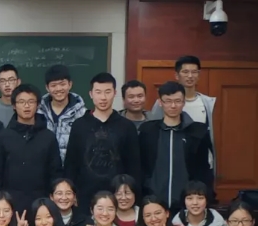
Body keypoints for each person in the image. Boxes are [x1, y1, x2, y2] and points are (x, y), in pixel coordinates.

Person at [64, 73, 141, 212]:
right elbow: (71, 164)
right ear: (91, 94)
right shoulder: (79, 125)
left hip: (119, 198)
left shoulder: (126, 126)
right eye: (98, 92)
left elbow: (134, 166)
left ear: (115, 93)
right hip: (85, 197)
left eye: (108, 92)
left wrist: (133, 196)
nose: (103, 97)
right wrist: (71, 193)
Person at [140, 81, 214, 212]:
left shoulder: (197, 132)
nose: (173, 106)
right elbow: (140, 166)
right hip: (154, 204)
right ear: (160, 102)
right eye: (168, 101)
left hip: (187, 205)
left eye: (177, 101)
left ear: (184, 102)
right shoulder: (148, 131)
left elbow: (204, 170)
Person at [0, 84, 62, 212]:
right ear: (14, 105)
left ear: (38, 105)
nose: (26, 106)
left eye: (31, 102)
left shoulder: (48, 137)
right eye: (21, 102)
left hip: (41, 204)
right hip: (10, 204)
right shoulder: (2, 137)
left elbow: (55, 174)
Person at [151, 55, 216, 172]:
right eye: (185, 72)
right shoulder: (163, 103)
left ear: (199, 75)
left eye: (194, 72)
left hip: (200, 163)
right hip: (171, 161)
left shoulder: (207, 103)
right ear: (177, 75)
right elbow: (154, 130)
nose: (190, 76)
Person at [38, 64, 87, 162]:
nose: (58, 89)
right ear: (47, 88)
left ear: (70, 84)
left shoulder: (82, 114)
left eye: (62, 84)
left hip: (72, 169)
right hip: (44, 168)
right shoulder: (38, 113)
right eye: (53, 85)